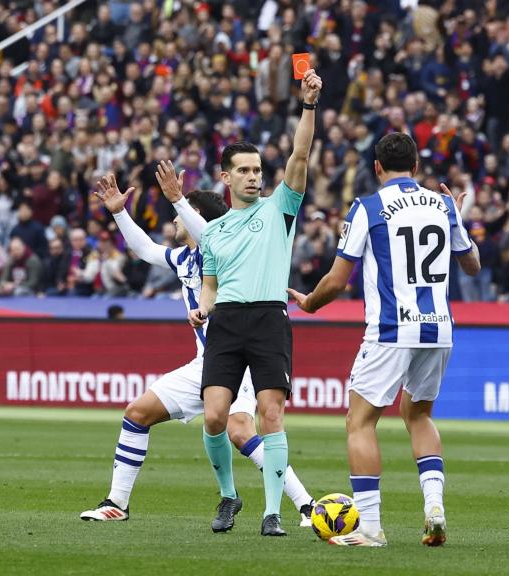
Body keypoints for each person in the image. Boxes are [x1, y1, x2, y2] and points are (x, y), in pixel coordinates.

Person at [79, 166, 314, 526]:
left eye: (180, 213)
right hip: (206, 362)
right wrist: (119, 213)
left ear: (196, 214)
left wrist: (178, 199)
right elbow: (145, 249)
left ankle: (306, 505)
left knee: (240, 431)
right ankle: (117, 503)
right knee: (137, 414)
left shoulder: (225, 248)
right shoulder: (184, 258)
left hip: (241, 357)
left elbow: (209, 236)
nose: (175, 220)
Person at [287, 132, 480, 547]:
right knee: (418, 415)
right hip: (439, 329)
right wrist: (457, 220)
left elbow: (338, 280)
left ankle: (370, 527)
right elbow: (473, 265)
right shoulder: (443, 205)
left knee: (360, 421)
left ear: (376, 167)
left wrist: (310, 303)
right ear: (416, 166)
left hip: (392, 328)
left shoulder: (368, 207)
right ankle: (434, 508)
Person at [188, 69, 323, 537]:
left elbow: (300, 153)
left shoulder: (279, 207)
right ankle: (229, 495)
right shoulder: (213, 233)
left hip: (268, 317)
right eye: (243, 171)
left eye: (257, 170)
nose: (253, 177)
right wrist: (203, 307)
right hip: (226, 321)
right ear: (225, 177)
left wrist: (308, 105)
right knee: (214, 416)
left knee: (271, 415)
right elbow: (210, 286)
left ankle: (272, 513)